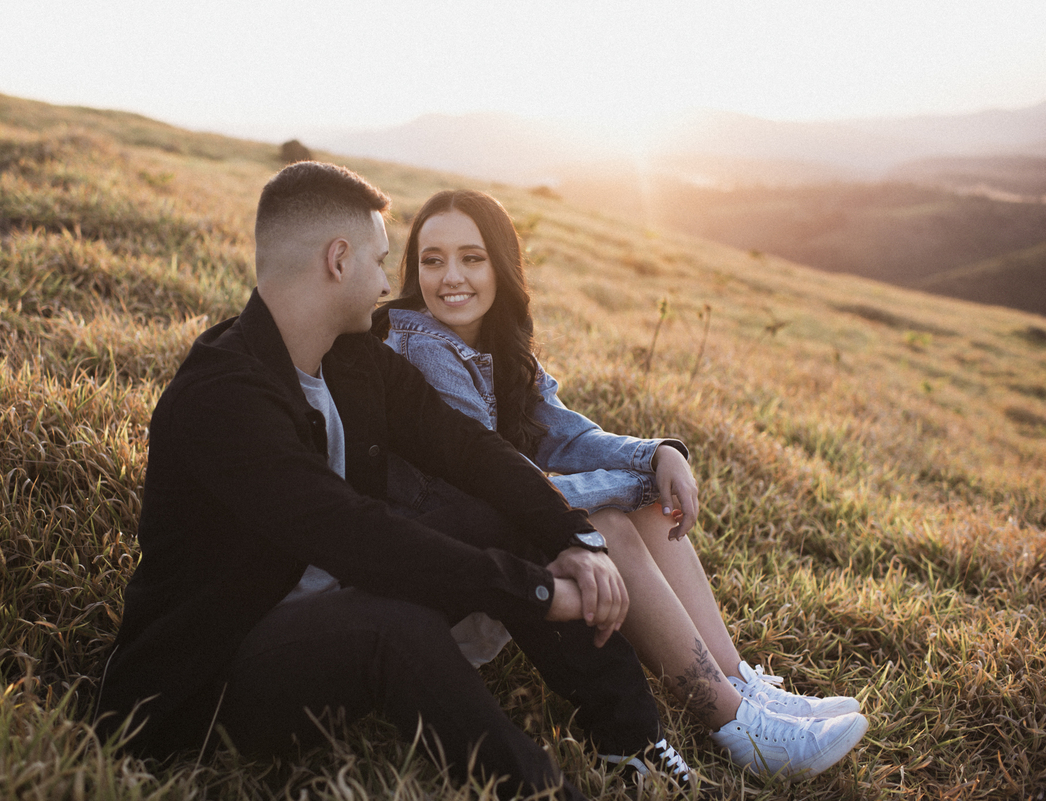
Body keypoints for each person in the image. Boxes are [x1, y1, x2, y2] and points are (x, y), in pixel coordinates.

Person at [94, 162, 697, 799]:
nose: (388, 283)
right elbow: (358, 537)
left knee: (501, 510)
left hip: (334, 596)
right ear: (338, 260)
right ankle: (541, 791)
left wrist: (578, 539)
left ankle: (631, 745)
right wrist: (542, 593)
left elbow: (473, 452)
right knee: (391, 628)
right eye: (381, 261)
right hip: (223, 676)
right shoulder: (222, 398)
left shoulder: (351, 357)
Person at [371, 189, 869, 780]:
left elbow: (564, 434)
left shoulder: (490, 341)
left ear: (501, 265)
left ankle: (740, 685)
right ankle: (739, 727)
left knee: (649, 507)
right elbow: (497, 488)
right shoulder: (422, 347)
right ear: (414, 268)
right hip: (448, 587)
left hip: (498, 553)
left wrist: (655, 453)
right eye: (432, 260)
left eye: (471, 258)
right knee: (607, 524)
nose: (450, 277)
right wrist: (625, 486)